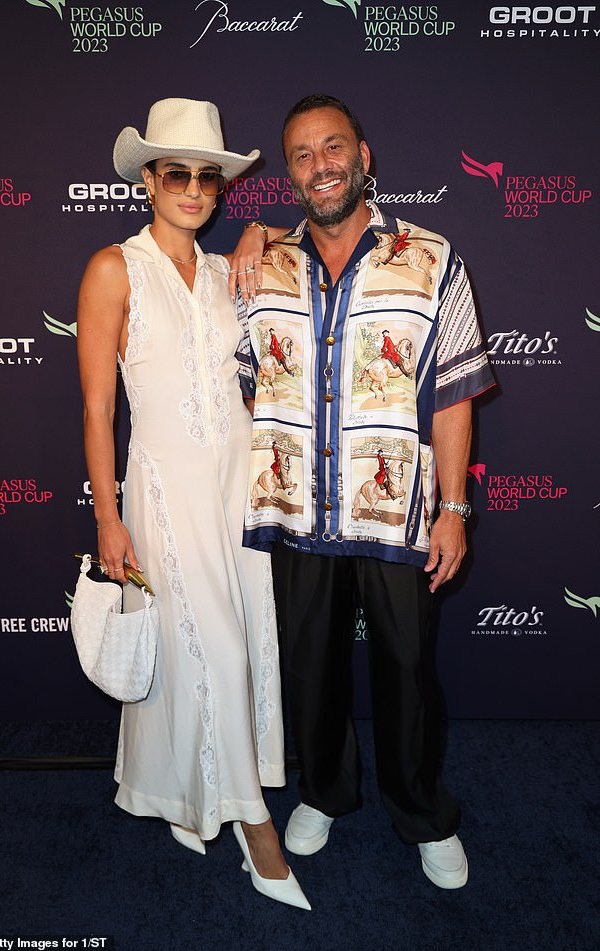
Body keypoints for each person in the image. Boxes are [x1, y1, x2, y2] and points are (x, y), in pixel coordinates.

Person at [237, 94, 496, 889]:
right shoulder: (261, 264)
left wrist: (453, 510)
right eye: (303, 154)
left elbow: (452, 394)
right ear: (290, 173)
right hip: (298, 506)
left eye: (334, 146)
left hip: (396, 512)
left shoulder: (432, 256)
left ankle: (421, 810)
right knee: (311, 667)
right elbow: (252, 387)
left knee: (407, 669)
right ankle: (324, 790)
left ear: (365, 155)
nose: (321, 164)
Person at [76, 97, 309, 911]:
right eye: (177, 172)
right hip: (166, 487)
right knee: (215, 647)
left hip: (234, 487)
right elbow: (99, 409)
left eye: (208, 176)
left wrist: (259, 233)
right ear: (148, 178)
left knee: (221, 644)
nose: (193, 188)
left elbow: (321, 232)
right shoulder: (114, 268)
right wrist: (108, 516)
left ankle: (186, 797)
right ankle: (255, 827)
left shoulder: (223, 271)